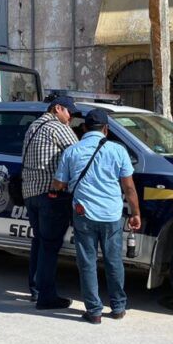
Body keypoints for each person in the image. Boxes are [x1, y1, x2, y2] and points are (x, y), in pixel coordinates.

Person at [53, 108, 141, 324]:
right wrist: (135, 213)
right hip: (111, 215)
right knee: (113, 261)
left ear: (84, 128)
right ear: (106, 129)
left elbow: (59, 184)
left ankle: (94, 312)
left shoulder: (72, 152)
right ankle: (118, 307)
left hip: (84, 214)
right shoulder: (118, 151)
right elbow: (129, 187)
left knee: (87, 262)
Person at [20, 95, 78, 310]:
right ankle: (46, 296)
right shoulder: (56, 126)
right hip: (50, 194)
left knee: (40, 241)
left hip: (30, 193)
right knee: (49, 246)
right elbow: (81, 152)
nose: (71, 117)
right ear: (57, 109)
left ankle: (35, 289)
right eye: (69, 111)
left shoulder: (34, 126)